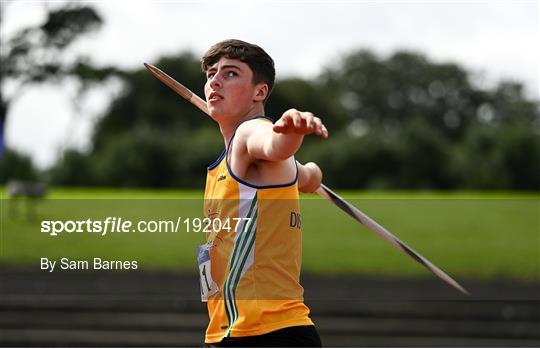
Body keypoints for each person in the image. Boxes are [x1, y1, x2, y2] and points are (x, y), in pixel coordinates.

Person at [198, 39, 327, 347]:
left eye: (230, 74)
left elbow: (271, 143)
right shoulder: (238, 162)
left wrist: (290, 129)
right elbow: (307, 175)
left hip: (265, 333)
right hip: (235, 331)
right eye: (211, 74)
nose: (215, 80)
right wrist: (310, 173)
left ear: (260, 92)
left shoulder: (250, 134)